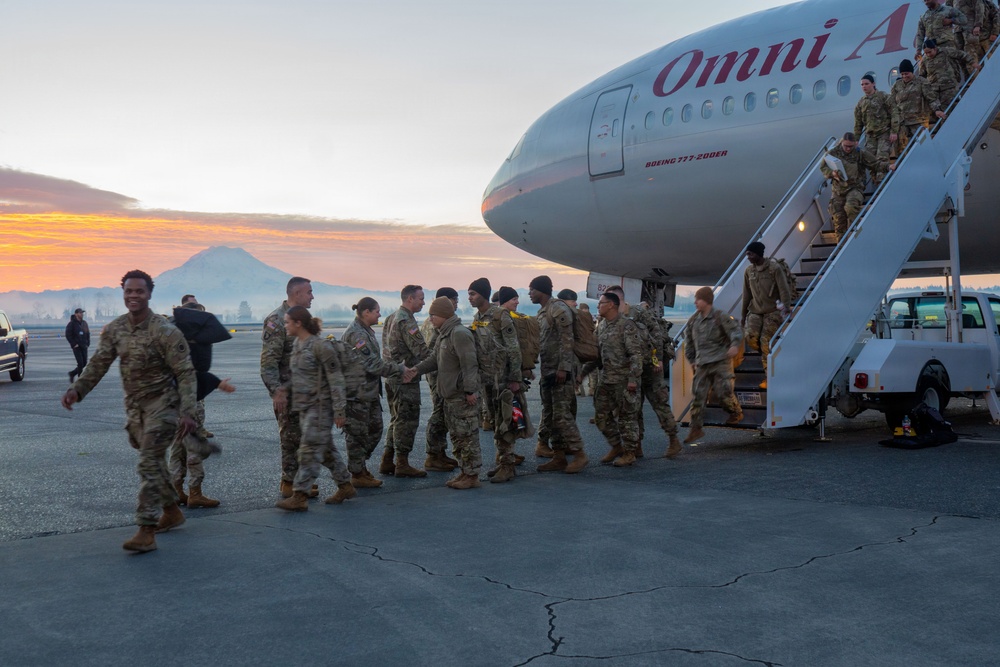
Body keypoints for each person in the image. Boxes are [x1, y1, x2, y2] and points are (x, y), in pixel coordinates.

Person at [61, 270, 197, 553]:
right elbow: (99, 363)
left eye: (139, 291)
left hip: (164, 404)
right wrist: (78, 389)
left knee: (148, 462)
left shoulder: (165, 331)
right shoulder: (115, 329)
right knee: (154, 463)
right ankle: (171, 510)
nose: (133, 296)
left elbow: (185, 373)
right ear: (123, 293)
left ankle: (146, 529)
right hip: (136, 408)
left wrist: (187, 411)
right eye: (129, 291)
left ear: (149, 294)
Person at [274, 307, 356, 510]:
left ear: (298, 323)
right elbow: (300, 375)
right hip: (304, 407)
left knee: (308, 451)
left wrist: (339, 410)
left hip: (320, 408)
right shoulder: (298, 344)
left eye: (287, 322)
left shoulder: (320, 346)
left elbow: (336, 379)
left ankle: (300, 495)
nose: (285, 326)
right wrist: (284, 389)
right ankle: (345, 485)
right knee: (327, 451)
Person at [167, 298, 234, 509]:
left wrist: (215, 382)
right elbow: (193, 373)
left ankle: (175, 489)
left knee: (178, 445)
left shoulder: (177, 339)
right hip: (187, 401)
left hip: (171, 399)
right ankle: (195, 492)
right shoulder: (191, 340)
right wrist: (216, 382)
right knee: (193, 445)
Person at [604, 285, 682, 458]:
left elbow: (658, 333)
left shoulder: (638, 312)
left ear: (618, 299)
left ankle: (673, 439)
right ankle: (636, 445)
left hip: (650, 367)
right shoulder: (613, 318)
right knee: (633, 408)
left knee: (659, 404)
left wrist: (659, 359)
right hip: (633, 369)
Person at [413, 297, 482, 489]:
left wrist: (470, 391)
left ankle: (472, 476)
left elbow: (470, 364)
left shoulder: (459, 334)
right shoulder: (444, 333)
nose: (431, 319)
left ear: (443, 315)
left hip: (462, 396)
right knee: (458, 436)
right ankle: (464, 471)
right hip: (450, 396)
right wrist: (416, 370)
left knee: (467, 436)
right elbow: (434, 359)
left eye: (433, 315)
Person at [340, 297, 409, 488]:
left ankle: (359, 466)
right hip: (356, 394)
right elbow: (371, 363)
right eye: (377, 311)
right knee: (357, 435)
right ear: (366, 312)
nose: (379, 314)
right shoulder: (356, 334)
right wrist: (399, 369)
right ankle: (357, 472)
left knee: (375, 429)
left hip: (368, 392)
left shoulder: (365, 331)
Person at [261, 276, 317, 498]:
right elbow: (268, 362)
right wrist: (276, 391)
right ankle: (288, 482)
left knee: (304, 437)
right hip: (287, 390)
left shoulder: (304, 319)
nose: (312, 296)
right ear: (296, 294)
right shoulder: (277, 320)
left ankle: (299, 481)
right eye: (309, 292)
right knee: (291, 438)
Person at [529, 275, 588, 473]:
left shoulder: (558, 309)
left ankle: (579, 454)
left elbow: (567, 340)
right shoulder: (543, 311)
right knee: (552, 416)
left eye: (532, 290)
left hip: (560, 372)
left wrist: (564, 368)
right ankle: (559, 456)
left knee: (563, 416)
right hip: (548, 371)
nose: (530, 293)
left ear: (542, 290)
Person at [468, 278, 523, 483]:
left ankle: (508, 465)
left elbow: (513, 347)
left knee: (505, 422)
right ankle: (502, 462)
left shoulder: (500, 316)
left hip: (503, 379)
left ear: (483, 294)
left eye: (473, 293)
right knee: (493, 421)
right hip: (487, 379)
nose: (470, 298)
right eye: (469, 294)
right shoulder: (477, 317)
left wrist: (515, 378)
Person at [583, 292, 644, 467]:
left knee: (626, 418)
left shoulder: (627, 325)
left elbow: (636, 355)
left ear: (611, 305)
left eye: (600, 303)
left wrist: (633, 379)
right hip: (606, 379)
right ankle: (617, 446)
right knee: (600, 415)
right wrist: (583, 373)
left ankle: (630, 453)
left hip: (624, 380)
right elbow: (597, 356)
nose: (598, 306)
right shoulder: (601, 326)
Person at [381, 284, 431, 478]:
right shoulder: (406, 321)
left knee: (396, 419)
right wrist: (438, 359)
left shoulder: (391, 317)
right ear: (410, 299)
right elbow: (421, 351)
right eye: (420, 298)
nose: (423, 302)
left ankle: (387, 460)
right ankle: (402, 463)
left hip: (392, 376)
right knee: (407, 421)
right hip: (406, 379)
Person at [683, 287, 743, 444]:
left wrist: (734, 345)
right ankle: (696, 429)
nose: (695, 302)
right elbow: (688, 341)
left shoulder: (719, 316)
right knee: (698, 395)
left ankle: (735, 412)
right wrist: (692, 360)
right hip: (703, 363)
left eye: (698, 299)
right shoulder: (693, 320)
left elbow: (736, 331)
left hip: (720, 362)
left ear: (707, 300)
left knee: (724, 393)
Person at [420, 287, 463, 470]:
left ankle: (440, 452)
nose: (456, 304)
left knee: (443, 412)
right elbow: (433, 352)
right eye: (454, 300)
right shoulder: (436, 323)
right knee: (439, 412)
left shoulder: (431, 321)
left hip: (440, 372)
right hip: (438, 373)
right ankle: (432, 455)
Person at [820, 132, 890, 242]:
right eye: (846, 146)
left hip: (855, 187)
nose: (848, 149)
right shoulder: (832, 153)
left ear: (855, 144)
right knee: (838, 219)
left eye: (851, 146)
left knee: (851, 207)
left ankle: (856, 234)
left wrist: (888, 166)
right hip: (838, 190)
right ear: (842, 143)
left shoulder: (860, 153)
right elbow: (823, 167)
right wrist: (832, 173)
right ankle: (841, 248)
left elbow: (875, 164)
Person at [740, 241, 793, 389]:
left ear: (758, 254)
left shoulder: (774, 269)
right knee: (750, 338)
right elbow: (746, 295)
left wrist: (785, 309)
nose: (748, 257)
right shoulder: (748, 271)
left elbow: (784, 291)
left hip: (773, 311)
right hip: (756, 310)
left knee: (765, 342)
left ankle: (770, 378)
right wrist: (743, 316)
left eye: (750, 254)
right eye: (747, 254)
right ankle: (770, 359)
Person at [890, 59, 947, 156]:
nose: (904, 76)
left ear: (912, 72)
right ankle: (903, 167)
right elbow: (892, 103)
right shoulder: (897, 85)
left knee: (922, 146)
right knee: (900, 148)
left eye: (906, 73)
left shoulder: (921, 82)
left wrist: (937, 110)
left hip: (918, 121)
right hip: (902, 121)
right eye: (902, 74)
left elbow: (931, 98)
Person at [918, 39, 980, 110]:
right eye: (926, 53)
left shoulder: (945, 51)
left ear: (934, 48)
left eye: (930, 52)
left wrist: (972, 62)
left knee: (952, 108)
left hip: (949, 87)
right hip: (935, 89)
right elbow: (922, 76)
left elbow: (961, 54)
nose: (928, 54)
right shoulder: (925, 60)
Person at [854, 74, 893, 184]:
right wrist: (856, 139)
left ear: (873, 84)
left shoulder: (883, 96)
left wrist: (894, 131)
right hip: (870, 136)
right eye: (862, 85)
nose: (864, 87)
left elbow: (894, 112)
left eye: (866, 84)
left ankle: (882, 186)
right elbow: (858, 124)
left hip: (883, 133)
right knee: (870, 161)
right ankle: (877, 183)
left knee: (882, 159)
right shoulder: (861, 103)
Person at [950, 0, 987, 67]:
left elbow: (979, 8)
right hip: (957, 29)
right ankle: (972, 76)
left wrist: (978, 25)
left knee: (972, 51)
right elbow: (949, 10)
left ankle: (980, 73)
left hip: (970, 27)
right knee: (961, 55)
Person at [65, 308, 90, 382]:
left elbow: (87, 333)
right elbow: (68, 334)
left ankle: (72, 373)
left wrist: (87, 343)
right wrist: (73, 344)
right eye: (80, 313)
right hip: (77, 346)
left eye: (82, 313)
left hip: (84, 346)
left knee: (84, 363)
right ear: (76, 314)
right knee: (80, 363)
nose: (82, 314)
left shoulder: (84, 323)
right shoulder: (72, 324)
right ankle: (80, 380)